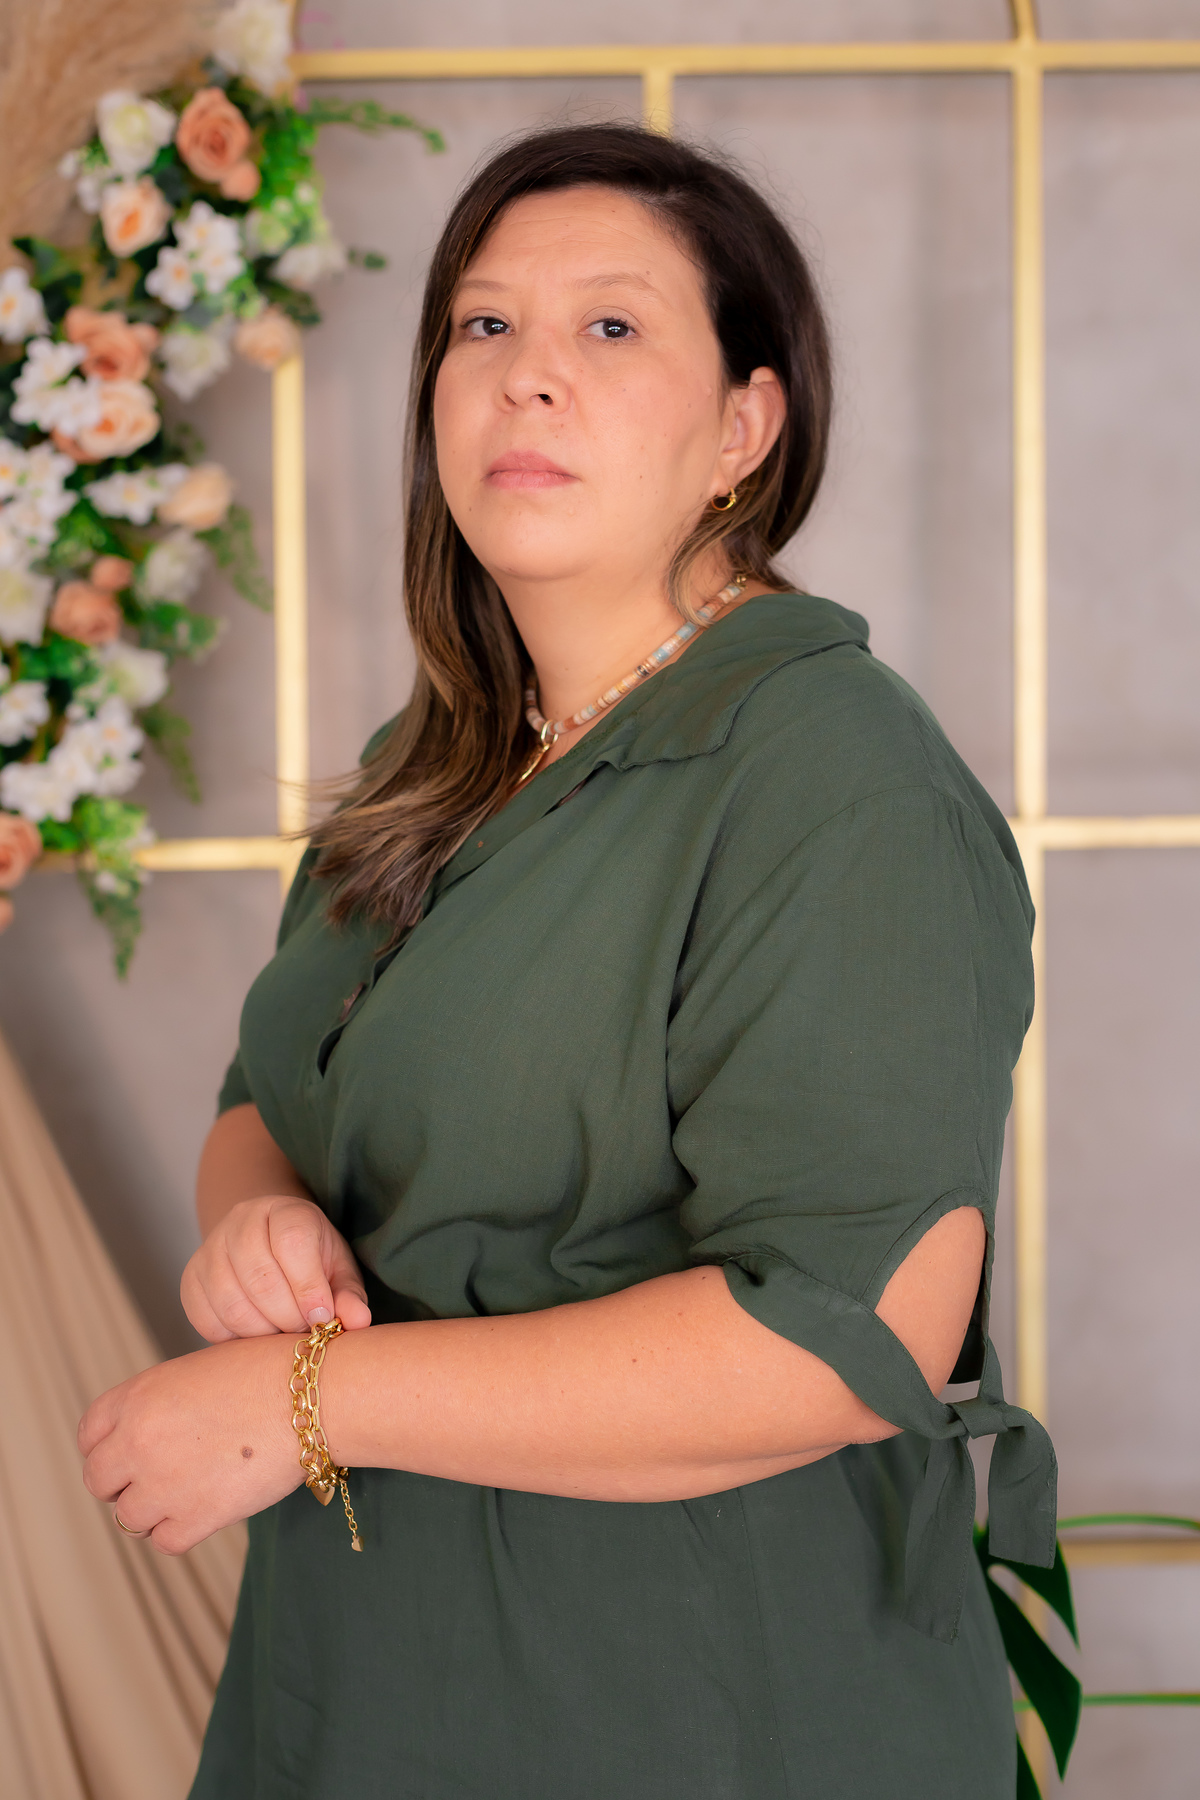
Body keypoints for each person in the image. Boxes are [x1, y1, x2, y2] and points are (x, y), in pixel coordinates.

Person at [79, 123, 1057, 1799]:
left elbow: (838, 1338)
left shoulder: (837, 776)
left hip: (692, 1713)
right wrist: (256, 1224)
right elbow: (270, 1098)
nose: (528, 375)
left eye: (611, 326)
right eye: (484, 325)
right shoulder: (432, 759)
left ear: (744, 427)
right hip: (361, 1688)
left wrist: (307, 1402)